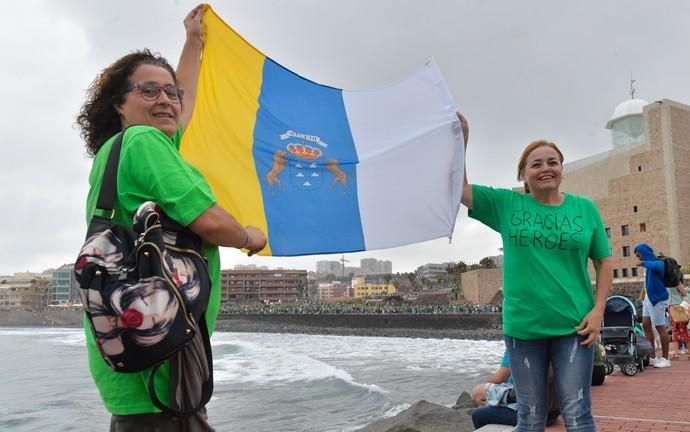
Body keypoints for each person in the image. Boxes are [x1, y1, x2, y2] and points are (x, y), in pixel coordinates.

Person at [76, 5, 267, 431]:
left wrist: (193, 42)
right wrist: (249, 235)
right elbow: (210, 221)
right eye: (148, 91)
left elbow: (187, 102)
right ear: (120, 104)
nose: (165, 98)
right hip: (160, 372)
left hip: (141, 361)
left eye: (169, 91)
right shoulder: (144, 140)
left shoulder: (118, 151)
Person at [458, 113, 613, 432]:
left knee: (578, 413)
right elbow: (459, 189)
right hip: (524, 329)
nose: (546, 168)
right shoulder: (507, 204)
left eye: (552, 162)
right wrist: (461, 140)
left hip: (575, 328)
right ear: (523, 175)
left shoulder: (584, 208)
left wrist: (598, 312)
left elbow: (605, 261)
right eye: (536, 164)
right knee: (529, 415)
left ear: (561, 168)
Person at [471, 351, 561, 430]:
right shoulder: (556, 348)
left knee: (479, 414)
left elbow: (499, 379)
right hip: (552, 408)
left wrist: (496, 394)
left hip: (537, 412)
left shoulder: (523, 347)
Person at [634, 243, 680, 368]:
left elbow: (655, 266)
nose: (639, 258)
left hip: (658, 299)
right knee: (646, 325)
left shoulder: (658, 263)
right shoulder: (648, 265)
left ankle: (665, 359)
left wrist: (642, 263)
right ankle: (652, 357)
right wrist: (642, 298)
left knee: (660, 328)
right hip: (648, 300)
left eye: (639, 255)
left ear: (644, 253)